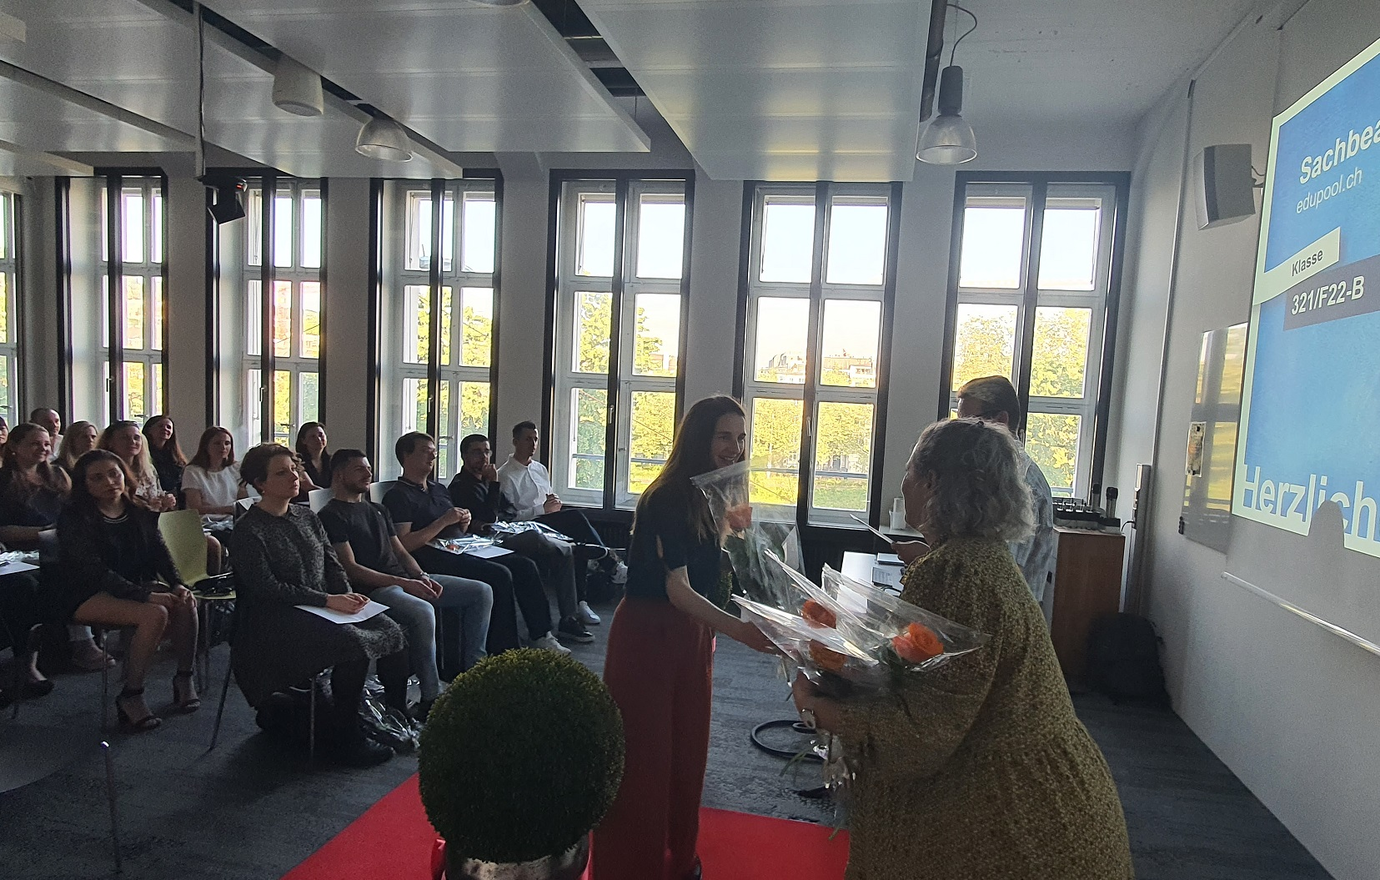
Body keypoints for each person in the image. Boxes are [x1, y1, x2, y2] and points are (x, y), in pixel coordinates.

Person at [791, 419, 1133, 880]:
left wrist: (816, 707)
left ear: (932, 482)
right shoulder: (981, 557)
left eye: (909, 471)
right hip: (1050, 794)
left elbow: (921, 730)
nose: (903, 483)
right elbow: (947, 680)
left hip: (1007, 822)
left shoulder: (955, 573)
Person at [592, 396, 777, 880]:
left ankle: (675, 857)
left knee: (686, 753)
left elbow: (723, 572)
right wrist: (741, 630)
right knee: (645, 759)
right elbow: (677, 588)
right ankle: (634, 867)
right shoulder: (669, 496)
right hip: (649, 636)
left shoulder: (716, 492)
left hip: (693, 634)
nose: (734, 448)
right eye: (723, 436)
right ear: (699, 437)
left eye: (741, 438)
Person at [230, 443, 409, 767]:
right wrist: (328, 600)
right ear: (260, 483)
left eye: (293, 469)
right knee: (352, 644)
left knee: (391, 629)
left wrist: (348, 595)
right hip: (272, 619)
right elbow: (267, 589)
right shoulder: (248, 530)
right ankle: (347, 737)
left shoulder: (306, 516)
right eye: (281, 473)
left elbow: (331, 564)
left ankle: (392, 717)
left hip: (319, 606)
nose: (293, 477)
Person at [318, 449, 493, 718]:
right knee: (423, 611)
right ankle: (432, 696)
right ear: (340, 475)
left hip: (404, 580)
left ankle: (474, 671)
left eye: (369, 468)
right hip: (375, 590)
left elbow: (400, 551)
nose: (368, 474)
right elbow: (351, 569)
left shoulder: (377, 509)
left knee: (481, 591)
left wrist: (421, 576)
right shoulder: (332, 515)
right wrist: (404, 582)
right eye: (359, 469)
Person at [382, 432, 568, 655]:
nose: (432, 456)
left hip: (461, 545)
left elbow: (458, 526)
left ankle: (541, 634)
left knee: (524, 565)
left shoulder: (438, 489)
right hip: (432, 557)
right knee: (499, 575)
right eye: (425, 451)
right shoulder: (398, 496)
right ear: (406, 456)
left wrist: (463, 522)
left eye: (433, 452)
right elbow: (403, 544)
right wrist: (444, 521)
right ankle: (505, 649)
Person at [59, 450, 200, 732]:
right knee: (154, 613)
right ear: (84, 484)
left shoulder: (138, 512)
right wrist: (146, 595)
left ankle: (184, 677)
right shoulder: (74, 518)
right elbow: (94, 571)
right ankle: (131, 694)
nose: (110, 482)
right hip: (85, 592)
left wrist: (177, 583)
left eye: (114, 474)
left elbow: (160, 554)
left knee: (185, 602)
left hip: (132, 586)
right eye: (98, 478)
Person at [450, 433, 594, 643]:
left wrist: (499, 507)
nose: (484, 457)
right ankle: (578, 548)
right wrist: (494, 485)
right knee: (537, 539)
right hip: (489, 539)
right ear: (464, 456)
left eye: (487, 451)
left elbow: (508, 510)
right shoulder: (462, 485)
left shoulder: (487, 481)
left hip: (509, 528)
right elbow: (489, 518)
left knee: (564, 551)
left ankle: (569, 619)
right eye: (477, 452)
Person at [0, 422, 110, 672]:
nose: (43, 448)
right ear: (15, 447)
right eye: (34, 444)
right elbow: (3, 530)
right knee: (60, 573)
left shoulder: (57, 475)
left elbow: (75, 510)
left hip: (60, 545)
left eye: (46, 443)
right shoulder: (3, 482)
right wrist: (44, 532)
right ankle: (76, 643)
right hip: (21, 551)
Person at [496, 421, 628, 600]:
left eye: (535, 439)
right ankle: (611, 561)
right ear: (515, 442)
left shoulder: (540, 469)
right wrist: (541, 509)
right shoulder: (504, 475)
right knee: (575, 518)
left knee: (579, 544)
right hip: (528, 527)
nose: (533, 444)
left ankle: (581, 601)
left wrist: (553, 503)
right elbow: (509, 519)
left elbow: (548, 497)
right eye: (527, 439)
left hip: (550, 520)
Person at [955, 375, 1057, 602]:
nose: (963, 435)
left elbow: (1002, 576)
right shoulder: (996, 474)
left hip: (1005, 613)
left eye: (971, 424)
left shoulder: (1021, 481)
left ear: (1001, 420)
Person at [99, 421, 176, 512]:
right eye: (125, 438)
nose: (132, 442)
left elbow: (157, 503)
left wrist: (164, 503)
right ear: (110, 442)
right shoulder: (106, 471)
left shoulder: (149, 469)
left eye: (136, 438)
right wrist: (146, 507)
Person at [182, 427, 246, 521]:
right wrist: (227, 509)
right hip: (205, 521)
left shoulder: (236, 468)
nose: (223, 447)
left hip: (233, 520)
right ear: (206, 446)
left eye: (227, 443)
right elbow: (196, 508)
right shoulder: (192, 471)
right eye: (217, 443)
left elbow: (242, 500)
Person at [143, 415, 187, 498]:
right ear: (149, 430)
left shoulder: (175, 456)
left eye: (169, 427)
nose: (165, 429)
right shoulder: (143, 453)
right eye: (160, 426)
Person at [294, 421, 332, 500]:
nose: (318, 439)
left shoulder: (331, 461)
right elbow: (308, 487)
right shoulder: (297, 461)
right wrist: (330, 496)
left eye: (321, 435)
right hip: (303, 502)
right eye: (312, 437)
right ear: (303, 440)